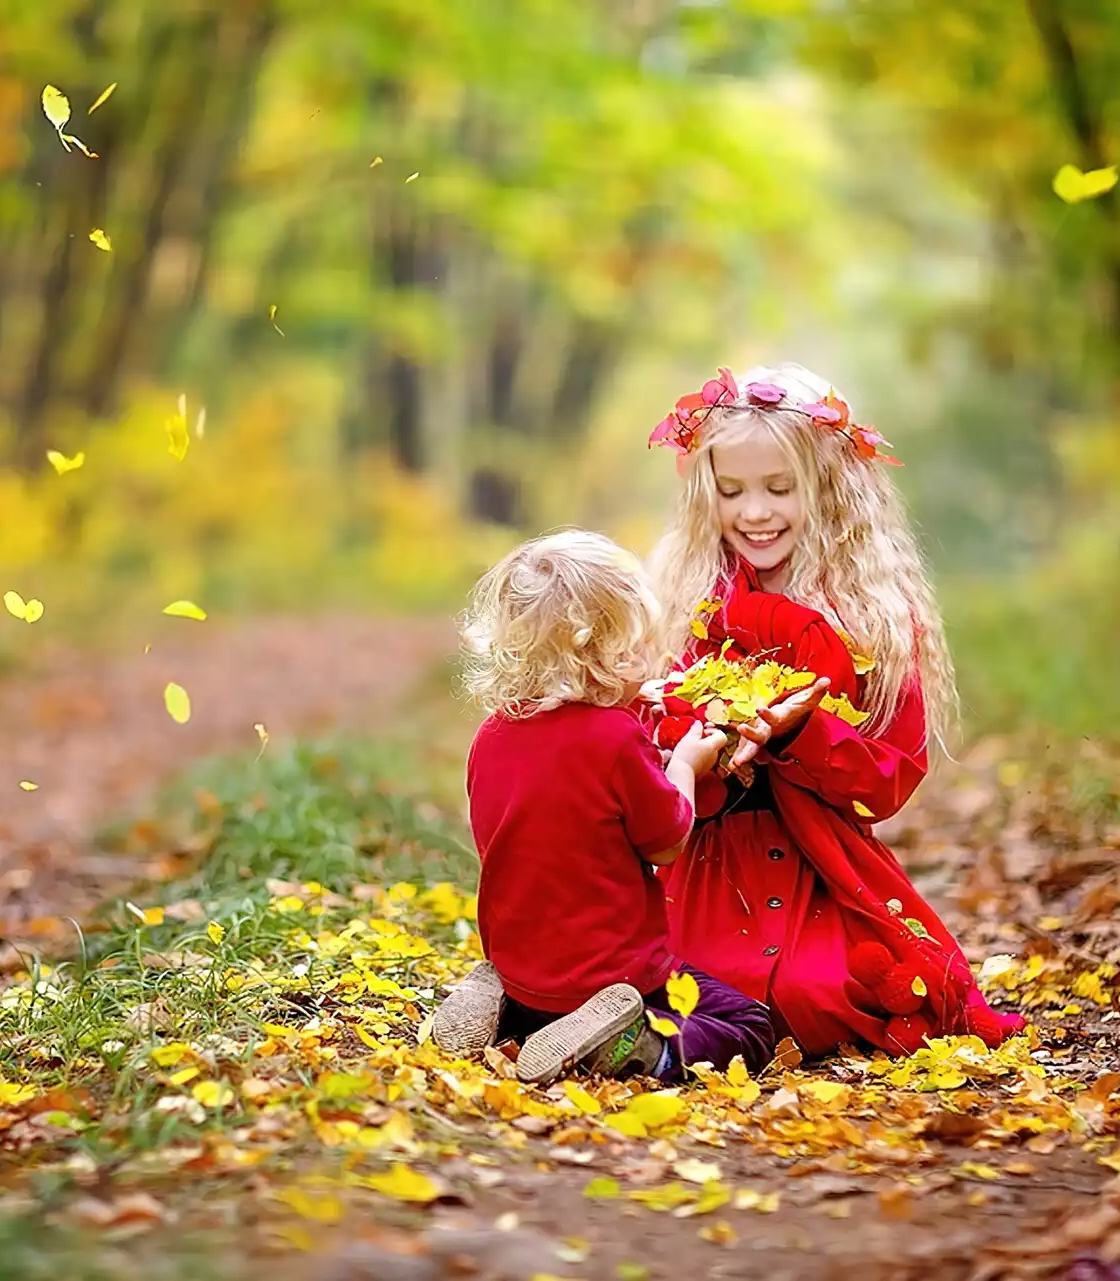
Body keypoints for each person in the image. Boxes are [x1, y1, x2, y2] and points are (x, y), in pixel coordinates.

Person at [643, 362, 1026, 1055]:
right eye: (731, 491)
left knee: (827, 994)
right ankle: (546, 1003)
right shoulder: (688, 595)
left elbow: (887, 780)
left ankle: (678, 1038)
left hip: (817, 861)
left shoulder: (875, 613)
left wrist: (803, 733)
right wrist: (700, 737)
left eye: (779, 489)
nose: (754, 512)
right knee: (664, 976)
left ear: (829, 487)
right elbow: (648, 724)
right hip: (705, 858)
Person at [431, 529, 776, 1085]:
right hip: (615, 976)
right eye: (638, 648)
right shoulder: (615, 740)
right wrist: (685, 765)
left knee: (540, 997)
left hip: (525, 965)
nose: (653, 659)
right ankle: (637, 1046)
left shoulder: (493, 734)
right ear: (605, 657)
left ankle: (501, 1007)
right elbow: (667, 840)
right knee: (746, 1023)